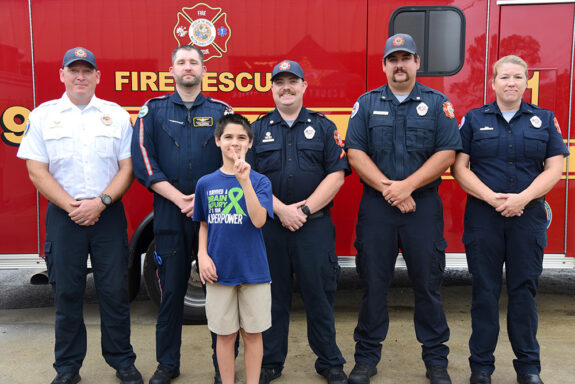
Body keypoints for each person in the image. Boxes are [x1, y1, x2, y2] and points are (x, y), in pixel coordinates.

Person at [16, 47, 143, 384]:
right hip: (64, 216)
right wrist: (73, 206)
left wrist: (100, 202)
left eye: (87, 71)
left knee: (115, 291)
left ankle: (122, 361)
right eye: (74, 70)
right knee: (67, 293)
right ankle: (68, 368)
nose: (81, 77)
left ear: (98, 77)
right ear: (62, 75)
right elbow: (36, 171)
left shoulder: (115, 115)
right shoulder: (43, 116)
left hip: (108, 213)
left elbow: (128, 168)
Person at [344, 33, 462, 384]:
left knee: (427, 285)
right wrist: (390, 190)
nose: (399, 65)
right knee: (374, 285)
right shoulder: (366, 104)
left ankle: (436, 362)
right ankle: (366, 359)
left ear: (416, 63)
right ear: (384, 65)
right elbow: (355, 153)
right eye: (392, 59)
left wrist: (407, 187)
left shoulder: (437, 103)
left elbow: (447, 153)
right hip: (377, 208)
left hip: (422, 207)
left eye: (405, 58)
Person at [452, 55, 569, 384]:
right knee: (484, 293)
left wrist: (522, 199)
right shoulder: (473, 120)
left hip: (527, 218)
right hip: (483, 218)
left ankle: (529, 368)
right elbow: (460, 168)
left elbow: (554, 168)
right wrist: (492, 198)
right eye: (504, 77)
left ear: (526, 82)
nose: (511, 82)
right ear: (493, 82)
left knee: (524, 292)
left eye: (518, 77)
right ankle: (481, 368)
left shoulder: (544, 120)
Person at [131, 45, 232, 384]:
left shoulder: (222, 112)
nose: (187, 68)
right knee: (172, 294)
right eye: (181, 62)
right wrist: (180, 199)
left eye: (194, 62)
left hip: (216, 215)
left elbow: (234, 157)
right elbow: (144, 162)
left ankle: (223, 367)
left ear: (204, 70)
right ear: (171, 70)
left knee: (220, 295)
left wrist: (202, 200)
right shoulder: (153, 112)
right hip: (170, 215)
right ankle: (167, 365)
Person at [251, 60, 349, 384]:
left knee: (319, 294)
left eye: (293, 81)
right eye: (279, 82)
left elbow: (336, 176)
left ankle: (330, 363)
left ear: (305, 86)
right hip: (271, 228)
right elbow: (249, 178)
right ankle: (270, 362)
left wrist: (303, 211)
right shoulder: (257, 129)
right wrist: (281, 210)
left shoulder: (323, 127)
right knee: (272, 297)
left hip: (315, 227)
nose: (286, 87)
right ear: (272, 88)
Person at [194, 113, 273, 384]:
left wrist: (244, 181)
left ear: (250, 143)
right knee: (225, 336)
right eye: (228, 137)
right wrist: (202, 255)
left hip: (254, 272)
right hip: (219, 272)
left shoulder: (260, 181)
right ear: (217, 141)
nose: (235, 143)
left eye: (241, 137)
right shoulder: (205, 183)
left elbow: (259, 219)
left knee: (253, 334)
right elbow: (204, 224)